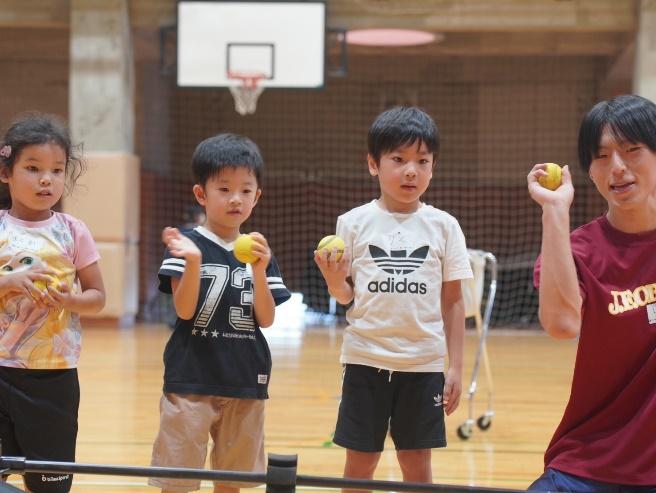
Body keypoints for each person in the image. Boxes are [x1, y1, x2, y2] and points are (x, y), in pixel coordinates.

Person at [315, 106, 473, 488]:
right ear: (374, 164)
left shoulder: (445, 226)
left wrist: (454, 367)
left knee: (416, 464)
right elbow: (345, 296)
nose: (410, 171)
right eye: (398, 159)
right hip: (365, 360)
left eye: (422, 161)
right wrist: (334, 279)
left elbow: (453, 301)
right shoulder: (352, 223)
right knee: (361, 463)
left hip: (423, 366)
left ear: (433, 167)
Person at [527, 94, 656, 492]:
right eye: (601, 157)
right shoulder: (577, 251)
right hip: (588, 463)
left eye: (632, 150)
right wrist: (555, 211)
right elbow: (563, 325)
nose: (617, 168)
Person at [149, 133, 291, 493]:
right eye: (224, 189)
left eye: (246, 190)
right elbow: (183, 311)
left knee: (233, 482)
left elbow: (267, 318)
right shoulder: (185, 244)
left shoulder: (259, 251)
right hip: (190, 380)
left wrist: (260, 269)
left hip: (246, 379)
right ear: (202, 194)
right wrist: (193, 262)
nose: (235, 199)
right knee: (178, 483)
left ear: (257, 196)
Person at [0, 113, 106, 493]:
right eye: (33, 168)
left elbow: (97, 297)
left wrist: (71, 299)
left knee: (49, 485)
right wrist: (8, 281)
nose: (47, 179)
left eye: (57, 170)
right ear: (6, 172)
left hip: (54, 376)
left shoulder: (72, 231)